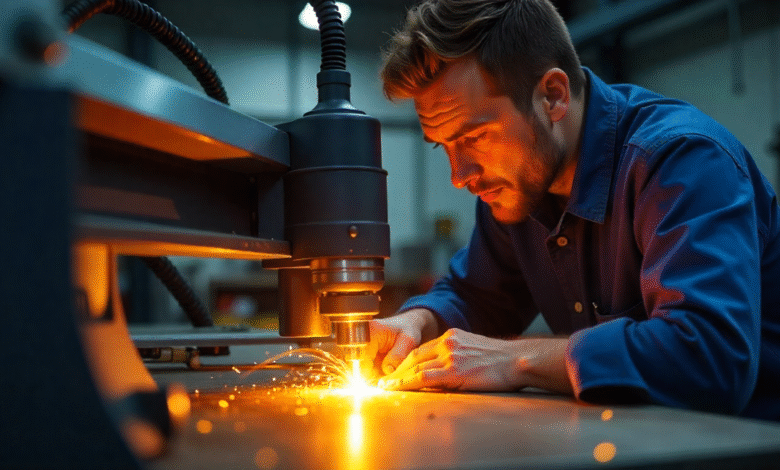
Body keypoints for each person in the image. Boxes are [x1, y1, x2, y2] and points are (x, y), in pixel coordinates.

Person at [366, 0, 780, 420]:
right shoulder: (517, 189)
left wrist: (518, 359)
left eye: (475, 137)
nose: (459, 175)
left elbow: (710, 358)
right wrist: (419, 321)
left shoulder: (681, 162)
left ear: (553, 96)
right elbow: (477, 294)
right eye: (445, 146)